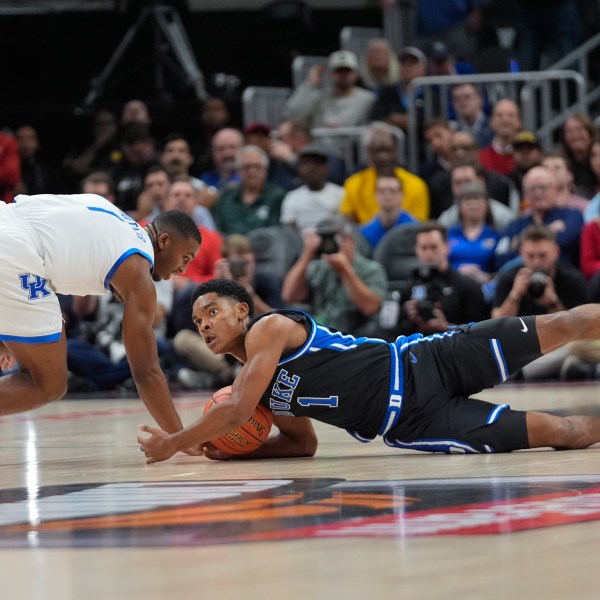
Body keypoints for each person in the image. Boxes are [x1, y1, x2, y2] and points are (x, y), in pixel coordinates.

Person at [138, 278, 600, 463]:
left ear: (241, 310)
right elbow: (303, 445)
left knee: (565, 324)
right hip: (416, 422)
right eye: (198, 322)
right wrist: (236, 452)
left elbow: (236, 411)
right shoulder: (257, 391)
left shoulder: (269, 328)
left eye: (212, 312)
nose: (204, 325)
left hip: (427, 360)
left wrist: (176, 442)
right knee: (565, 431)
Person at [0, 194, 201, 440]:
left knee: (50, 331)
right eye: (186, 258)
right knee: (48, 384)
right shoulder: (138, 270)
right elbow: (145, 372)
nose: (183, 270)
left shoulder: (110, 213)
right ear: (165, 240)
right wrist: (182, 438)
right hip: (17, 253)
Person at [492, 224, 588, 381]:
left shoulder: (572, 278)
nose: (536, 262)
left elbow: (579, 331)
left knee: (575, 349)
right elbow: (496, 325)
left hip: (557, 345)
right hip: (520, 345)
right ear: (521, 253)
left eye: (542, 255)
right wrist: (514, 296)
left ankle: (522, 371)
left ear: (555, 252)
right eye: (530, 256)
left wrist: (553, 303)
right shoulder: (509, 278)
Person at [282, 215, 388, 337]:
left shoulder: (371, 269)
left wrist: (346, 271)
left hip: (354, 338)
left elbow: (371, 308)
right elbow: (288, 295)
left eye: (334, 239)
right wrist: (307, 255)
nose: (329, 245)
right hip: (319, 335)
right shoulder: (317, 267)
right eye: (325, 240)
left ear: (350, 241)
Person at [339, 121, 430, 224]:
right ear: (368, 152)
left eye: (387, 150)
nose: (383, 157)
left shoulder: (416, 185)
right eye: (378, 150)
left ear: (395, 150)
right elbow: (346, 220)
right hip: (366, 237)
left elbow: (419, 224)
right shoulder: (353, 184)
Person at [495, 166, 584, 269]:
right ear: (525, 194)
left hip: (563, 279)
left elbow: (566, 239)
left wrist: (519, 241)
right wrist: (550, 230)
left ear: (556, 190)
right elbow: (500, 258)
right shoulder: (514, 225)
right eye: (532, 189)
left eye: (543, 188)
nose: (538, 193)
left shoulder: (572, 216)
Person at [284, 50, 376, 133]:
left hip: (353, 149)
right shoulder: (319, 98)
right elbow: (292, 114)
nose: (343, 75)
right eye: (339, 71)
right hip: (319, 149)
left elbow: (372, 128)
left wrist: (343, 131)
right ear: (331, 74)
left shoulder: (368, 99)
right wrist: (309, 84)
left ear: (355, 74)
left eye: (347, 71)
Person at [212, 145, 287, 236]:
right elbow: (217, 230)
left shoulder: (277, 196)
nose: (252, 171)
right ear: (239, 171)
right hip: (230, 247)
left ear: (265, 170)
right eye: (247, 167)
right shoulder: (226, 198)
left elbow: (276, 232)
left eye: (257, 166)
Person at [279, 145, 344, 234]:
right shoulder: (292, 198)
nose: (311, 168)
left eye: (316, 163)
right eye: (305, 164)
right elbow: (288, 233)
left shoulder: (340, 194)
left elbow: (346, 227)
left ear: (326, 168)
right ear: (299, 169)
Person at [446, 181, 501, 286]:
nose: (473, 204)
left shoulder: (496, 236)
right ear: (459, 206)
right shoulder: (449, 235)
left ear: (487, 205)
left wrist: (487, 277)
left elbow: (501, 268)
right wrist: (457, 272)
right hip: (452, 284)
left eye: (477, 199)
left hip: (485, 286)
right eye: (467, 200)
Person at [359, 174, 417, 249]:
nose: (387, 195)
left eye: (392, 191)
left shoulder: (414, 228)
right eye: (382, 191)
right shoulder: (366, 232)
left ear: (401, 195)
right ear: (375, 195)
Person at [478, 99, 522, 177]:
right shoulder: (481, 158)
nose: (505, 121)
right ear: (491, 122)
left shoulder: (527, 157)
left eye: (511, 115)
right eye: (499, 116)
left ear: (519, 122)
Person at [450, 83, 493, 148]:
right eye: (456, 98)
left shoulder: (493, 127)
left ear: (479, 100)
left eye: (467, 97)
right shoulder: (452, 133)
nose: (462, 102)